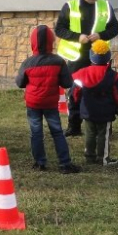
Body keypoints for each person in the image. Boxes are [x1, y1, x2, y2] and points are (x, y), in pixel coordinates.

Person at [55, 0, 118, 137]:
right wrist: (77, 37)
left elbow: (115, 28)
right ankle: (74, 126)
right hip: (77, 58)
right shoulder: (70, 6)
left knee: (102, 91)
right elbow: (59, 29)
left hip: (99, 57)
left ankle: (104, 128)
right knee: (75, 92)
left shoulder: (105, 6)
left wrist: (101, 35)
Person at [15, 25, 81, 173]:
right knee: (57, 132)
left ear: (33, 43)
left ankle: (40, 163)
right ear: (51, 42)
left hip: (33, 103)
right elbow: (67, 83)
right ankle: (65, 164)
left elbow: (20, 83)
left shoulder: (28, 63)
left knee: (36, 133)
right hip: (50, 103)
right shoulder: (58, 61)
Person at [71, 40, 118, 166]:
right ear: (108, 58)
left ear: (91, 57)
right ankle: (103, 158)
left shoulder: (81, 74)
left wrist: (76, 104)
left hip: (87, 110)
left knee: (90, 134)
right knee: (104, 135)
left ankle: (89, 157)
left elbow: (75, 93)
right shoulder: (115, 77)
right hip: (106, 112)